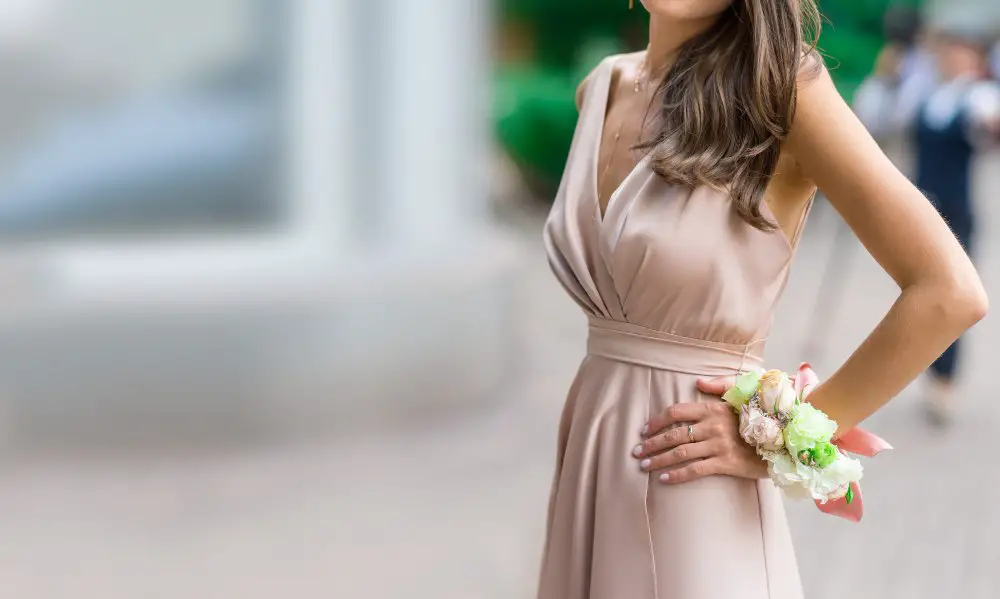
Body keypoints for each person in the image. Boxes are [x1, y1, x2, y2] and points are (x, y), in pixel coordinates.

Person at [539, 1, 987, 598]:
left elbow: (948, 291)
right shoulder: (601, 87)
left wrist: (781, 435)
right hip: (593, 458)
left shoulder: (781, 90)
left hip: (693, 480)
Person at [854, 27, 1000, 425]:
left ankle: (945, 380)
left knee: (952, 293)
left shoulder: (979, 96)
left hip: (957, 210)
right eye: (947, 51)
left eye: (961, 53)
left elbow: (989, 124)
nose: (952, 60)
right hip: (918, 211)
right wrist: (886, 78)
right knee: (914, 292)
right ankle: (915, 370)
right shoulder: (922, 94)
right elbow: (875, 117)